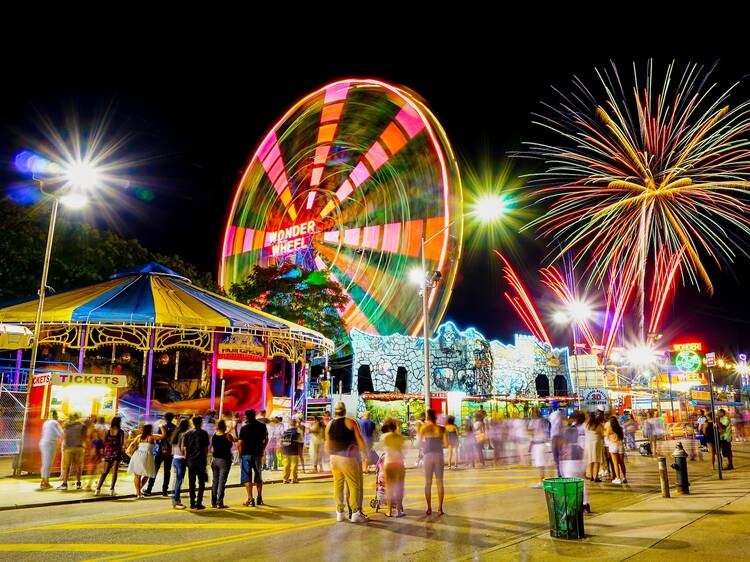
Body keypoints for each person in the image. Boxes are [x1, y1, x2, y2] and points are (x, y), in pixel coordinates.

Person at [325, 401, 369, 523]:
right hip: (348, 457)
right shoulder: (350, 422)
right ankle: (355, 513)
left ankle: (340, 513)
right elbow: (359, 439)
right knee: (354, 485)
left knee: (338, 485)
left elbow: (327, 444)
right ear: (344, 410)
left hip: (334, 458)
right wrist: (365, 454)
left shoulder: (329, 424)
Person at [560, 411, 590, 513]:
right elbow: (583, 446)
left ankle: (571, 505)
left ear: (575, 419)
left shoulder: (571, 429)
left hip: (571, 459)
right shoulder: (584, 428)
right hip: (581, 459)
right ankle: (585, 503)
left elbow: (565, 444)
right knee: (582, 482)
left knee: (569, 483)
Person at [238, 408, 268, 507]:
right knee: (258, 476)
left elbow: (240, 443)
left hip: (246, 454)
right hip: (258, 454)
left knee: (247, 478)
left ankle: (250, 499)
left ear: (247, 416)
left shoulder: (244, 428)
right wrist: (263, 448)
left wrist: (240, 454)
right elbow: (266, 439)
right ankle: (259, 497)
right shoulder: (262, 426)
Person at [126, 424, 165, 498]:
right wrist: (161, 426)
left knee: (137, 475)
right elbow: (163, 435)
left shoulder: (139, 437)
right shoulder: (152, 437)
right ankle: (138, 491)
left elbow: (133, 444)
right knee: (147, 475)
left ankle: (138, 492)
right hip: (147, 457)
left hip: (137, 455)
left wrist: (128, 451)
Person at [144, 412, 176, 497]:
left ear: (165, 418)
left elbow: (158, 438)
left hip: (161, 451)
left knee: (154, 470)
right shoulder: (175, 427)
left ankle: (149, 489)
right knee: (167, 471)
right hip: (170, 452)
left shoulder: (162, 427)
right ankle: (165, 491)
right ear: (172, 418)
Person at [420, 409, 445, 516]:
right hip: (439, 455)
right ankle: (440, 508)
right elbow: (446, 443)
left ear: (427, 417)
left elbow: (420, 443)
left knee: (428, 483)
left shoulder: (424, 428)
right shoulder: (441, 428)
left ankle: (429, 508)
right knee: (439, 482)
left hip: (428, 456)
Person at [183, 416, 210, 510]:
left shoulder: (187, 434)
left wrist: (186, 460)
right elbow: (206, 449)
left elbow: (185, 449)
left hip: (191, 460)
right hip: (201, 460)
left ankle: (192, 502)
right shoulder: (204, 433)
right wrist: (205, 458)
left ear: (192, 422)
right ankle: (199, 502)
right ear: (201, 423)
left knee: (191, 482)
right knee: (201, 483)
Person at [381, 417, 406, 517]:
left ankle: (389, 511)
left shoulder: (384, 437)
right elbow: (403, 451)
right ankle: (399, 511)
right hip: (399, 463)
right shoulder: (400, 437)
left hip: (388, 463)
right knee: (399, 488)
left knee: (389, 488)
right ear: (395, 427)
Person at [95, 416, 124, 496]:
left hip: (108, 453)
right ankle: (112, 490)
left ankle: (98, 489)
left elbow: (104, 441)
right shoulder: (120, 432)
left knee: (105, 471)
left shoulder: (108, 431)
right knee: (115, 472)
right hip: (117, 453)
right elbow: (121, 443)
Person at [58, 413, 85, 490]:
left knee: (66, 467)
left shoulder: (67, 425)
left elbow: (64, 436)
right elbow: (84, 437)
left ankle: (64, 484)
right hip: (79, 447)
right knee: (78, 467)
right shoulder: (82, 426)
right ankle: (78, 484)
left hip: (68, 448)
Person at [211, 419, 233, 508]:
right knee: (221, 482)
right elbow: (231, 444)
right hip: (224, 460)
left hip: (215, 460)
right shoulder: (227, 436)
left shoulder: (214, 436)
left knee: (215, 482)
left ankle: (213, 502)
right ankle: (220, 502)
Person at [39, 410, 63, 489]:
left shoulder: (46, 422)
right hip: (50, 444)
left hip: (43, 443)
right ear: (56, 415)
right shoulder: (55, 423)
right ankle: (46, 482)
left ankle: (43, 480)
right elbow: (60, 433)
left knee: (45, 462)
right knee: (48, 463)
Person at [170, 418, 191, 508]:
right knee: (179, 480)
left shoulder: (176, 433)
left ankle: (175, 499)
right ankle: (176, 501)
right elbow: (183, 448)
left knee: (176, 480)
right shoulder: (184, 435)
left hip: (175, 458)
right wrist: (187, 457)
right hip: (181, 459)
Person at [584, 410, 605, 482]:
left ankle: (592, 476)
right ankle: (596, 477)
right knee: (597, 460)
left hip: (588, 444)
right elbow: (603, 434)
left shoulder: (586, 425)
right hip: (596, 443)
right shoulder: (598, 425)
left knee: (590, 460)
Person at [281, 419, 303, 483]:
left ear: (290, 424)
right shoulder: (298, 431)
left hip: (286, 451)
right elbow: (301, 441)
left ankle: (285, 479)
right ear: (296, 424)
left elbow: (283, 441)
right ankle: (294, 479)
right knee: (294, 465)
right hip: (294, 451)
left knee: (286, 465)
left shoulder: (286, 431)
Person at [607, 416, 627, 484]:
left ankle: (618, 478)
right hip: (620, 445)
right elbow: (622, 437)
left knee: (615, 463)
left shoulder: (609, 428)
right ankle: (624, 477)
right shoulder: (620, 428)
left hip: (613, 445)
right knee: (622, 463)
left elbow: (607, 437)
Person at [548, 401, 565, 476]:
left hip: (554, 437)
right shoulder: (560, 414)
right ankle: (561, 471)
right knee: (560, 455)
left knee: (556, 456)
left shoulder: (552, 415)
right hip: (560, 436)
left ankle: (559, 471)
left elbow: (549, 427)